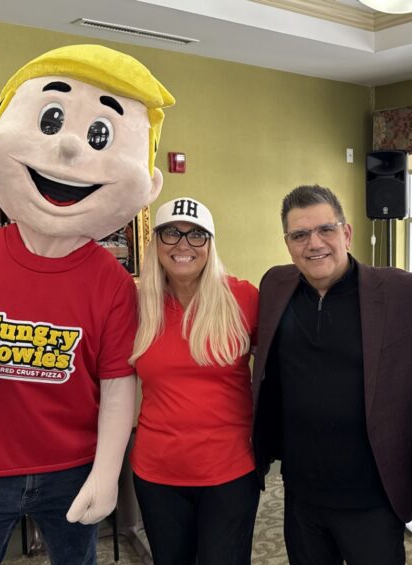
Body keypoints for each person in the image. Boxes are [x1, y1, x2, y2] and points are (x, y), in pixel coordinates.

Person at [0, 45, 173, 564]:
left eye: (98, 136)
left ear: (147, 183)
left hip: (72, 467)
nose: (67, 149)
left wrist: (108, 473)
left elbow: (117, 384)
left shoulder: (110, 282)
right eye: (52, 121)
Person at [251, 184, 412, 565]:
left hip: (373, 497)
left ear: (346, 233)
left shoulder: (403, 290)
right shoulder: (275, 285)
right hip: (301, 494)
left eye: (325, 230)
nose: (314, 243)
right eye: (300, 235)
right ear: (288, 243)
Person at [129, 197, 260, 565]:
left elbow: (290, 366)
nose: (183, 244)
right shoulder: (137, 306)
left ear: (210, 245)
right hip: (157, 475)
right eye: (171, 233)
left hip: (230, 472)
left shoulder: (243, 298)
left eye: (196, 235)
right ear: (156, 242)